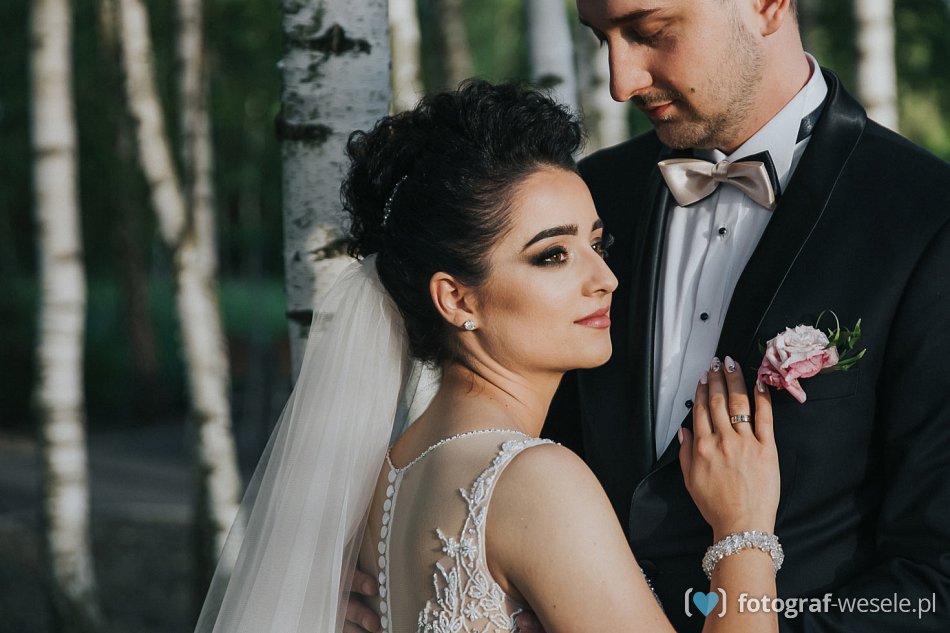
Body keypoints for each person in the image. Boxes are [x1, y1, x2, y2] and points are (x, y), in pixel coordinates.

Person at [196, 81, 787, 633]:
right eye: (552, 255)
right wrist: (743, 531)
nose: (605, 278)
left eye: (596, 243)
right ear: (456, 299)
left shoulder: (381, 480)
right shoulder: (534, 481)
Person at [531, 0, 949, 631]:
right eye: (600, 38)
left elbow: (935, 578)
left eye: (650, 32)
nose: (621, 81)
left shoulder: (927, 220)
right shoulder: (588, 201)